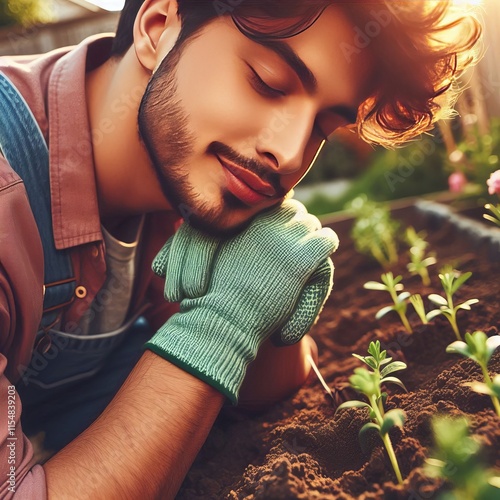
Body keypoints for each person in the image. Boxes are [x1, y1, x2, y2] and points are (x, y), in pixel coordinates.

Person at [0, 0, 481, 498]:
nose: (290, 152)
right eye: (268, 83)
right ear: (157, 27)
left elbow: (261, 394)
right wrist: (224, 322)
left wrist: (272, 287)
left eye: (321, 128)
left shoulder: (180, 180)